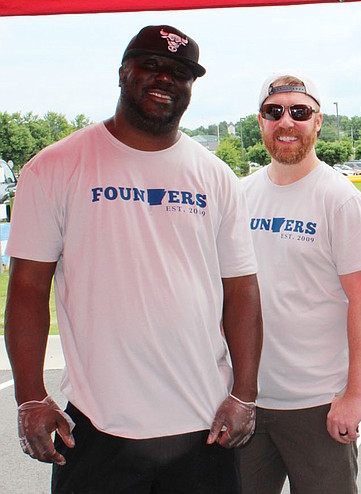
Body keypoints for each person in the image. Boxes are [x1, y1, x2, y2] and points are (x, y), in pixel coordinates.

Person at [4, 25, 262, 493]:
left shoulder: (216, 177)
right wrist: (30, 398)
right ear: (124, 72)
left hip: (203, 425)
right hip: (97, 427)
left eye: (180, 73)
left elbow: (241, 290)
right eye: (152, 66)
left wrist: (244, 393)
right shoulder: (55, 167)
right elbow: (26, 290)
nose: (165, 80)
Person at [239, 74, 361, 494]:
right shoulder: (239, 194)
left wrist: (355, 396)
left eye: (299, 112)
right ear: (260, 120)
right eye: (274, 111)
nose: (286, 122)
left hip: (317, 403)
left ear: (318, 121)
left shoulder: (339, 199)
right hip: (247, 398)